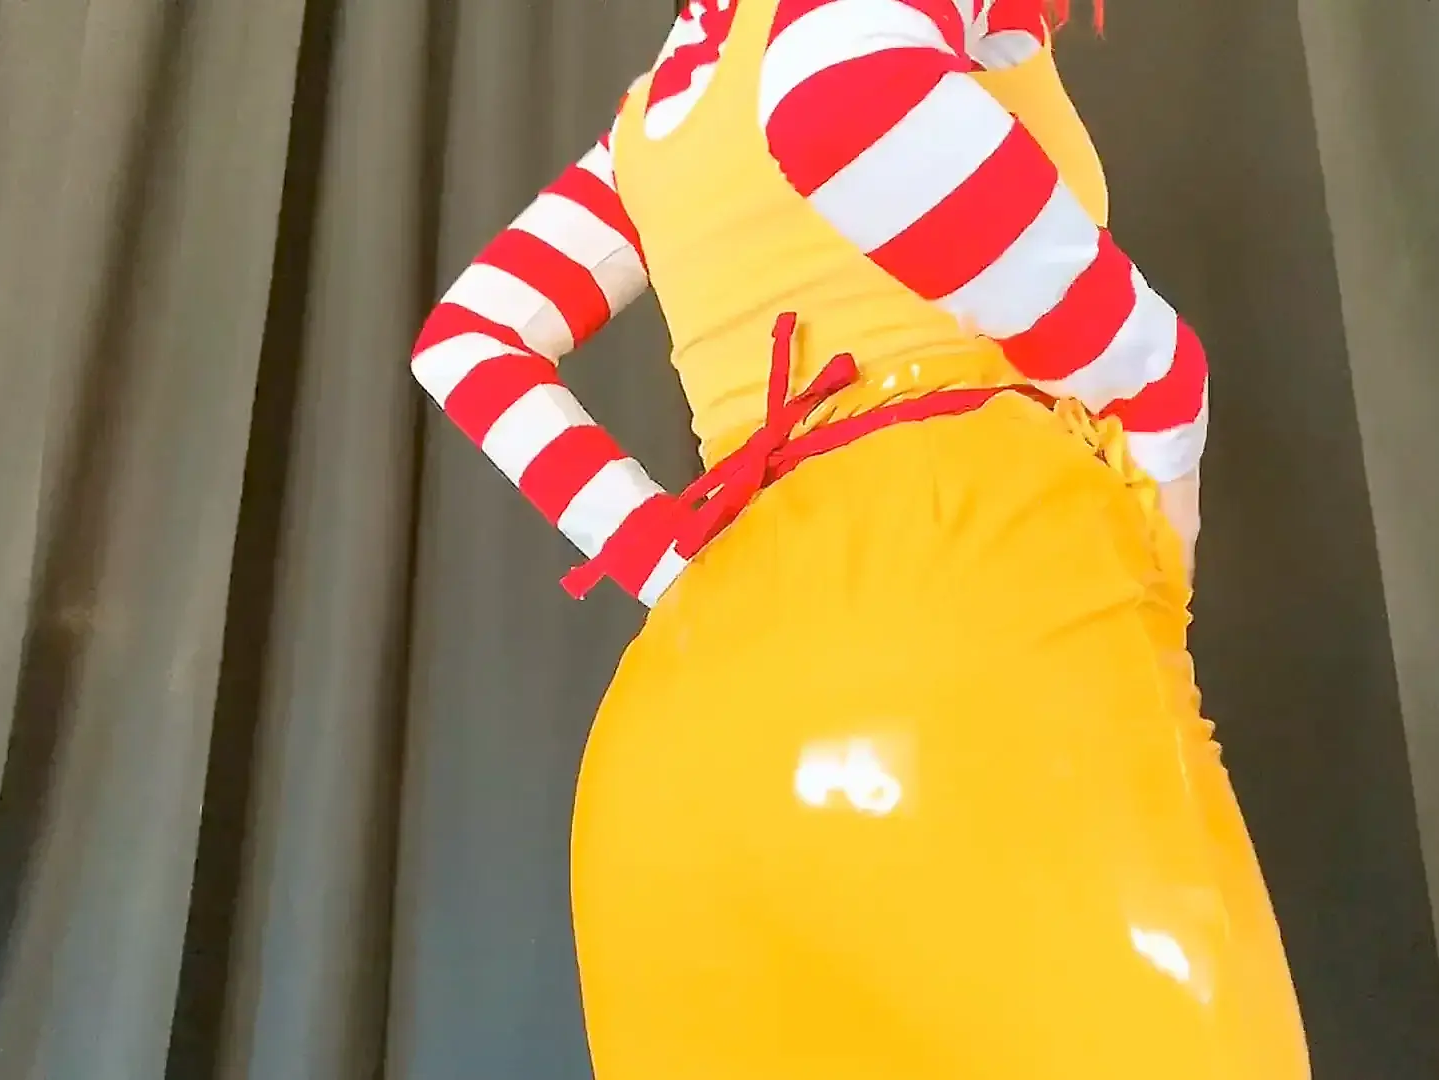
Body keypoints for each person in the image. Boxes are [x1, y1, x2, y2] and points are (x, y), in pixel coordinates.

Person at [409, 0, 1310, 1075]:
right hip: (970, 603)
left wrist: (667, 560)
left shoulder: (654, 117)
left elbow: (470, 341)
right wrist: (1159, 383)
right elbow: (839, 85)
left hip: (681, 739)